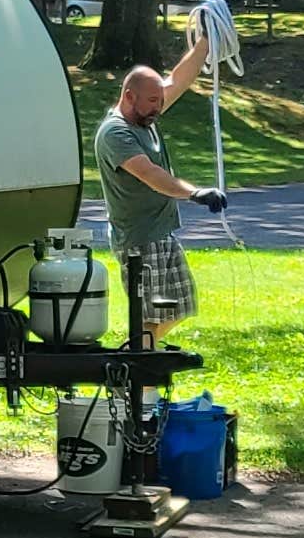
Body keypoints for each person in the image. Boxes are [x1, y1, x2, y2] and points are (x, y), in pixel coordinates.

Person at [89, 27, 229, 350]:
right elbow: (150, 174)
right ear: (129, 97)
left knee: (180, 305)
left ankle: (137, 358)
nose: (158, 107)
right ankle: (133, 373)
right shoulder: (115, 134)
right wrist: (195, 193)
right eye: (153, 101)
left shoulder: (146, 113)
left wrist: (206, 41)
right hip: (138, 241)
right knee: (150, 315)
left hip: (160, 233)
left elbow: (178, 79)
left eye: (160, 101)